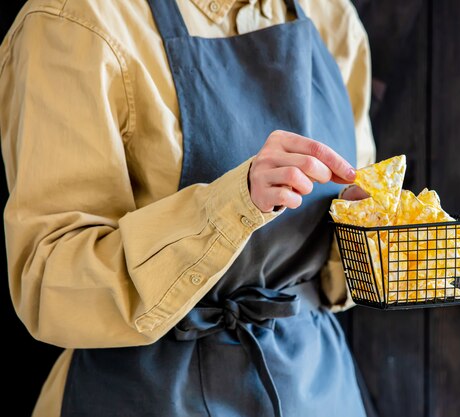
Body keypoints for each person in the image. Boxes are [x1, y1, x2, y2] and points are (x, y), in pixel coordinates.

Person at [0, 0, 376, 416]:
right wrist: (232, 204)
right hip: (145, 394)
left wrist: (370, 232)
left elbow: (339, 256)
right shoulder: (73, 21)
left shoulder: (331, 14)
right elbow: (49, 285)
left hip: (316, 390)